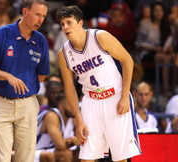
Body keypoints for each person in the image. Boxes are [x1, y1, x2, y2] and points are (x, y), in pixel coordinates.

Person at [56, 5, 142, 161]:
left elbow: (127, 61)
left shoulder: (100, 37)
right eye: (62, 24)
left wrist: (124, 96)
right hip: (90, 101)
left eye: (69, 22)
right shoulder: (63, 54)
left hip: (115, 96)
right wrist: (78, 117)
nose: (65, 27)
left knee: (120, 156)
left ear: (80, 23)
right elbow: (69, 88)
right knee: (87, 156)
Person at [0, 0, 50, 161]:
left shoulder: (41, 41)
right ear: (25, 12)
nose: (41, 20)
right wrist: (8, 76)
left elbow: (42, 75)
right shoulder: (2, 34)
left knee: (26, 158)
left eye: (44, 16)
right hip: (0, 103)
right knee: (1, 158)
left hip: (27, 104)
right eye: (37, 14)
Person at [35, 92, 80, 162]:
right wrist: (73, 141)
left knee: (83, 152)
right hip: (36, 150)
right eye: (71, 105)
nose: (74, 108)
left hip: (52, 149)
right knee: (65, 154)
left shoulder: (73, 117)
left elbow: (80, 139)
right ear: (61, 106)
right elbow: (60, 145)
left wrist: (75, 141)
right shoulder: (52, 115)